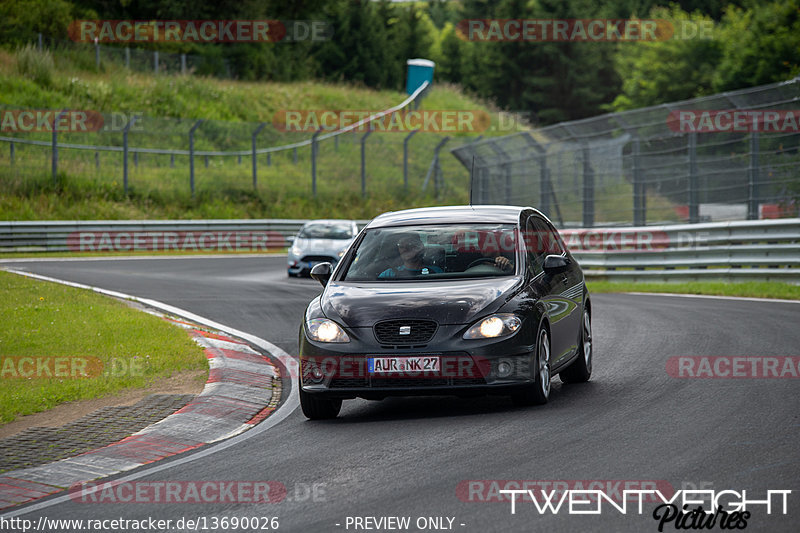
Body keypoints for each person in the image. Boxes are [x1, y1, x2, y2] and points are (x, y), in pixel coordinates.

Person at [378, 233, 443, 278]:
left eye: (410, 245)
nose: (406, 249)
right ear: (398, 250)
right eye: (401, 246)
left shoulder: (436, 272)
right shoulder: (388, 275)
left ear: (420, 247)